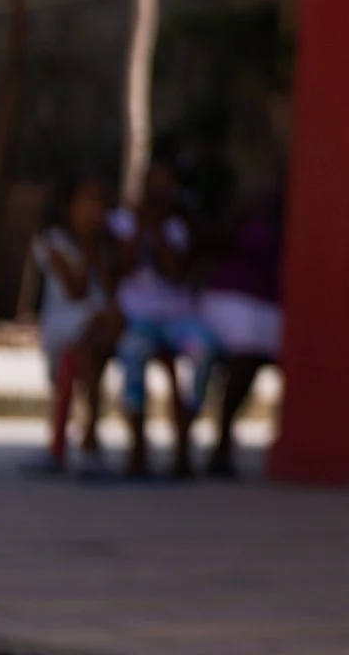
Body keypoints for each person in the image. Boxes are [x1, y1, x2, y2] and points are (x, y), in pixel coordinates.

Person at [110, 157, 214, 479]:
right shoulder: (121, 223)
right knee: (132, 352)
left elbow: (176, 273)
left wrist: (156, 231)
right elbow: (120, 268)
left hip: (176, 318)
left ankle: (185, 432)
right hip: (138, 318)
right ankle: (137, 442)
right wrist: (139, 227)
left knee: (203, 350)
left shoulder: (179, 227)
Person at [31, 174, 121, 473]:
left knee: (93, 345)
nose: (93, 209)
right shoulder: (52, 243)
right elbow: (75, 290)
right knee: (83, 353)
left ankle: (89, 440)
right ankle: (83, 441)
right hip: (66, 321)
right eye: (85, 201)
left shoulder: (110, 242)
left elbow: (110, 288)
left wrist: (98, 248)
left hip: (99, 326)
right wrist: (86, 247)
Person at [196, 183, 283, 478]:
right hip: (231, 299)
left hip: (270, 304)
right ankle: (222, 440)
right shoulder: (249, 213)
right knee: (247, 349)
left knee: (260, 346)